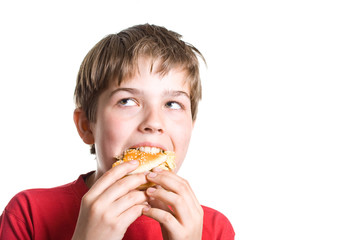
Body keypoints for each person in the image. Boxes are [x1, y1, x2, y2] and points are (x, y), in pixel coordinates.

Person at [0, 23, 235, 239]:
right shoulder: (28, 214)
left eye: (173, 104)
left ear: (191, 127)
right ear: (86, 125)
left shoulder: (214, 229)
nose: (154, 122)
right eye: (127, 101)